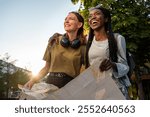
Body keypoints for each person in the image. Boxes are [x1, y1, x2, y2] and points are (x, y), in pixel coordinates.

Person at [24, 11, 85, 89]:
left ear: (79, 24)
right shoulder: (54, 41)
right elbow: (46, 68)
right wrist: (32, 80)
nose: (66, 21)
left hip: (70, 88)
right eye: (66, 19)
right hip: (50, 85)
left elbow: (85, 72)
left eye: (71, 19)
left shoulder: (83, 47)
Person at [85, 5, 131, 99]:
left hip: (115, 88)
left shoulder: (117, 38)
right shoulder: (87, 41)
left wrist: (112, 64)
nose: (93, 17)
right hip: (97, 90)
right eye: (90, 16)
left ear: (106, 19)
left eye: (97, 14)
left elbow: (125, 67)